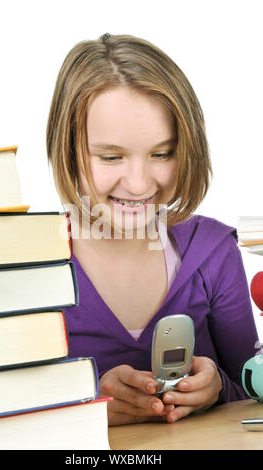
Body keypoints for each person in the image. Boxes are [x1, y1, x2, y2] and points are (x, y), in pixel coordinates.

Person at [46, 33, 260, 426]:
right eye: (111, 156)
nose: (140, 184)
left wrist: (217, 391)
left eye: (162, 154)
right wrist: (85, 406)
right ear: (67, 149)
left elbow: (254, 391)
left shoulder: (212, 251)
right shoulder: (23, 264)